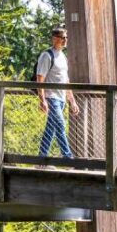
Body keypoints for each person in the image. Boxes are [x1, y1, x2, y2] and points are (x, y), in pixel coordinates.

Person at [34, 26, 77, 160]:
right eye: (62, 37)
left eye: (66, 37)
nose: (65, 40)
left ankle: (41, 160)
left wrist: (72, 101)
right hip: (51, 97)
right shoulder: (47, 55)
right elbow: (39, 78)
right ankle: (68, 158)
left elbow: (66, 80)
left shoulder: (63, 57)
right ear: (54, 39)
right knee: (60, 125)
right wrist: (42, 100)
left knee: (50, 130)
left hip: (61, 98)